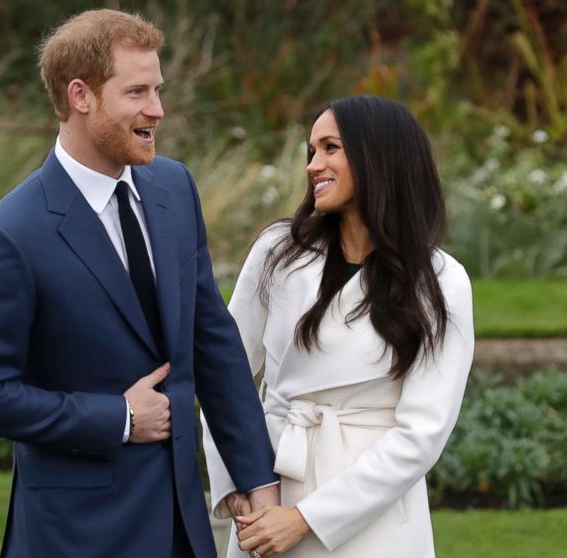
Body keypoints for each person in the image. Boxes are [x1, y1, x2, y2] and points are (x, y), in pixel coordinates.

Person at [0, 9, 278, 558]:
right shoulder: (9, 235)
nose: (158, 109)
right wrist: (118, 419)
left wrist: (257, 480)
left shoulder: (174, 188)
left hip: (181, 528)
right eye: (137, 92)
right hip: (76, 535)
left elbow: (212, 341)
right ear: (81, 96)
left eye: (158, 89)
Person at [201, 95, 475, 558]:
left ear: (378, 157)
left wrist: (308, 518)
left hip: (373, 517)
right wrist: (238, 485)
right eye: (312, 150)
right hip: (269, 492)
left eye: (331, 148)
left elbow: (422, 434)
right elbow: (221, 373)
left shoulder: (441, 281)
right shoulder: (277, 253)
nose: (313, 165)